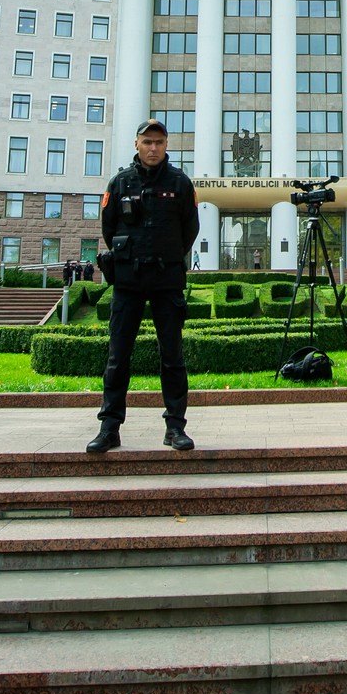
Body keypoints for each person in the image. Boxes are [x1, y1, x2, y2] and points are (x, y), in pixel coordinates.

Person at [89, 118, 200, 453]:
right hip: (128, 281)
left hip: (167, 280)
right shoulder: (120, 182)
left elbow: (189, 230)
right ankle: (110, 427)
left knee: (172, 356)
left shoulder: (181, 183)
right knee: (118, 356)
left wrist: (165, 254)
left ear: (167, 145)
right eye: (147, 142)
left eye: (160, 142)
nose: (154, 148)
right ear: (136, 144)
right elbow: (109, 228)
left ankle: (175, 427)